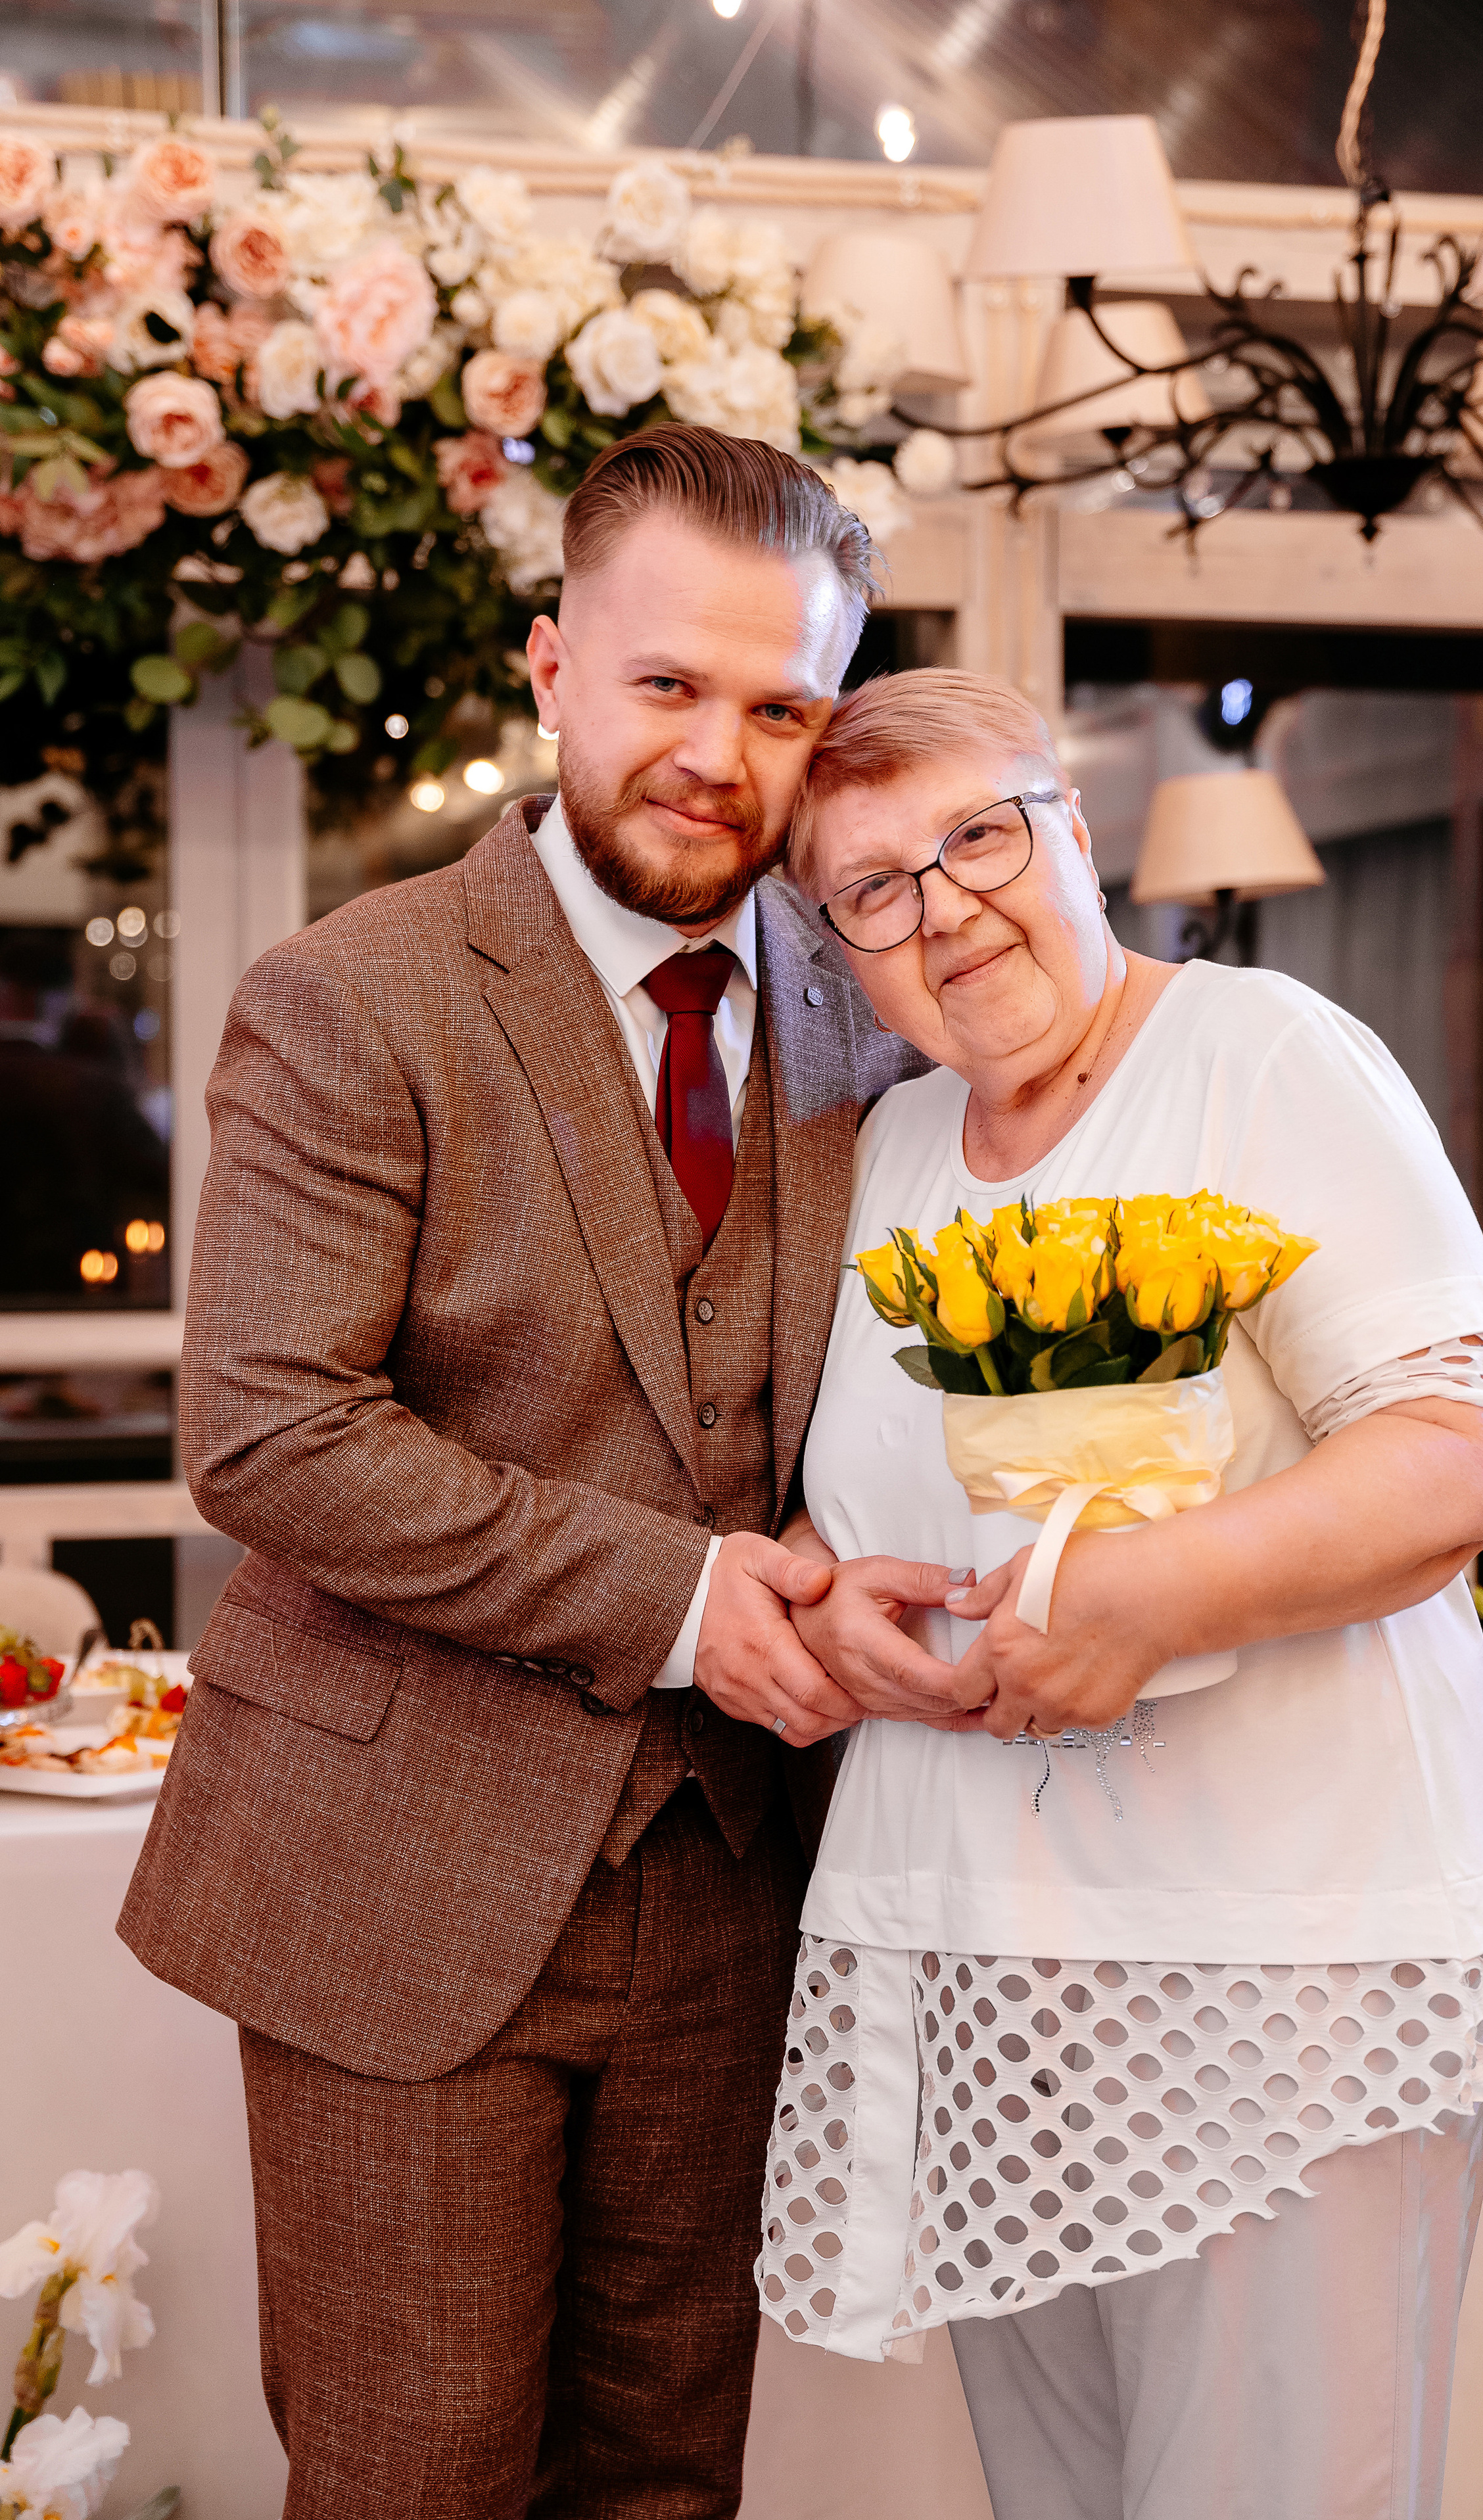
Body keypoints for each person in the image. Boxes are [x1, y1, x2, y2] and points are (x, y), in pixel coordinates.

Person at [118, 428, 967, 2519]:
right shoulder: (354, 996)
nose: (718, 752)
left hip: (737, 1881)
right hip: (399, 1875)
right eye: (669, 684)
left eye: (781, 707)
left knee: (667, 2483)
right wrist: (689, 1600)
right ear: (551, 665)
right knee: (415, 2481)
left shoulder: (873, 1020)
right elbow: (273, 1431)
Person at [761, 668, 1483, 2520]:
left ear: (1074, 827)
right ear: (840, 948)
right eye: (873, 888)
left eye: (979, 834)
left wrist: (1147, 1598)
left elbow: (1463, 1451)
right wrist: (832, 1604)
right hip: (1002, 1990)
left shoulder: (1265, 1056)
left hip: (1281, 1972)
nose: (944, 906)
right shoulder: (889, 1155)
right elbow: (870, 1514)